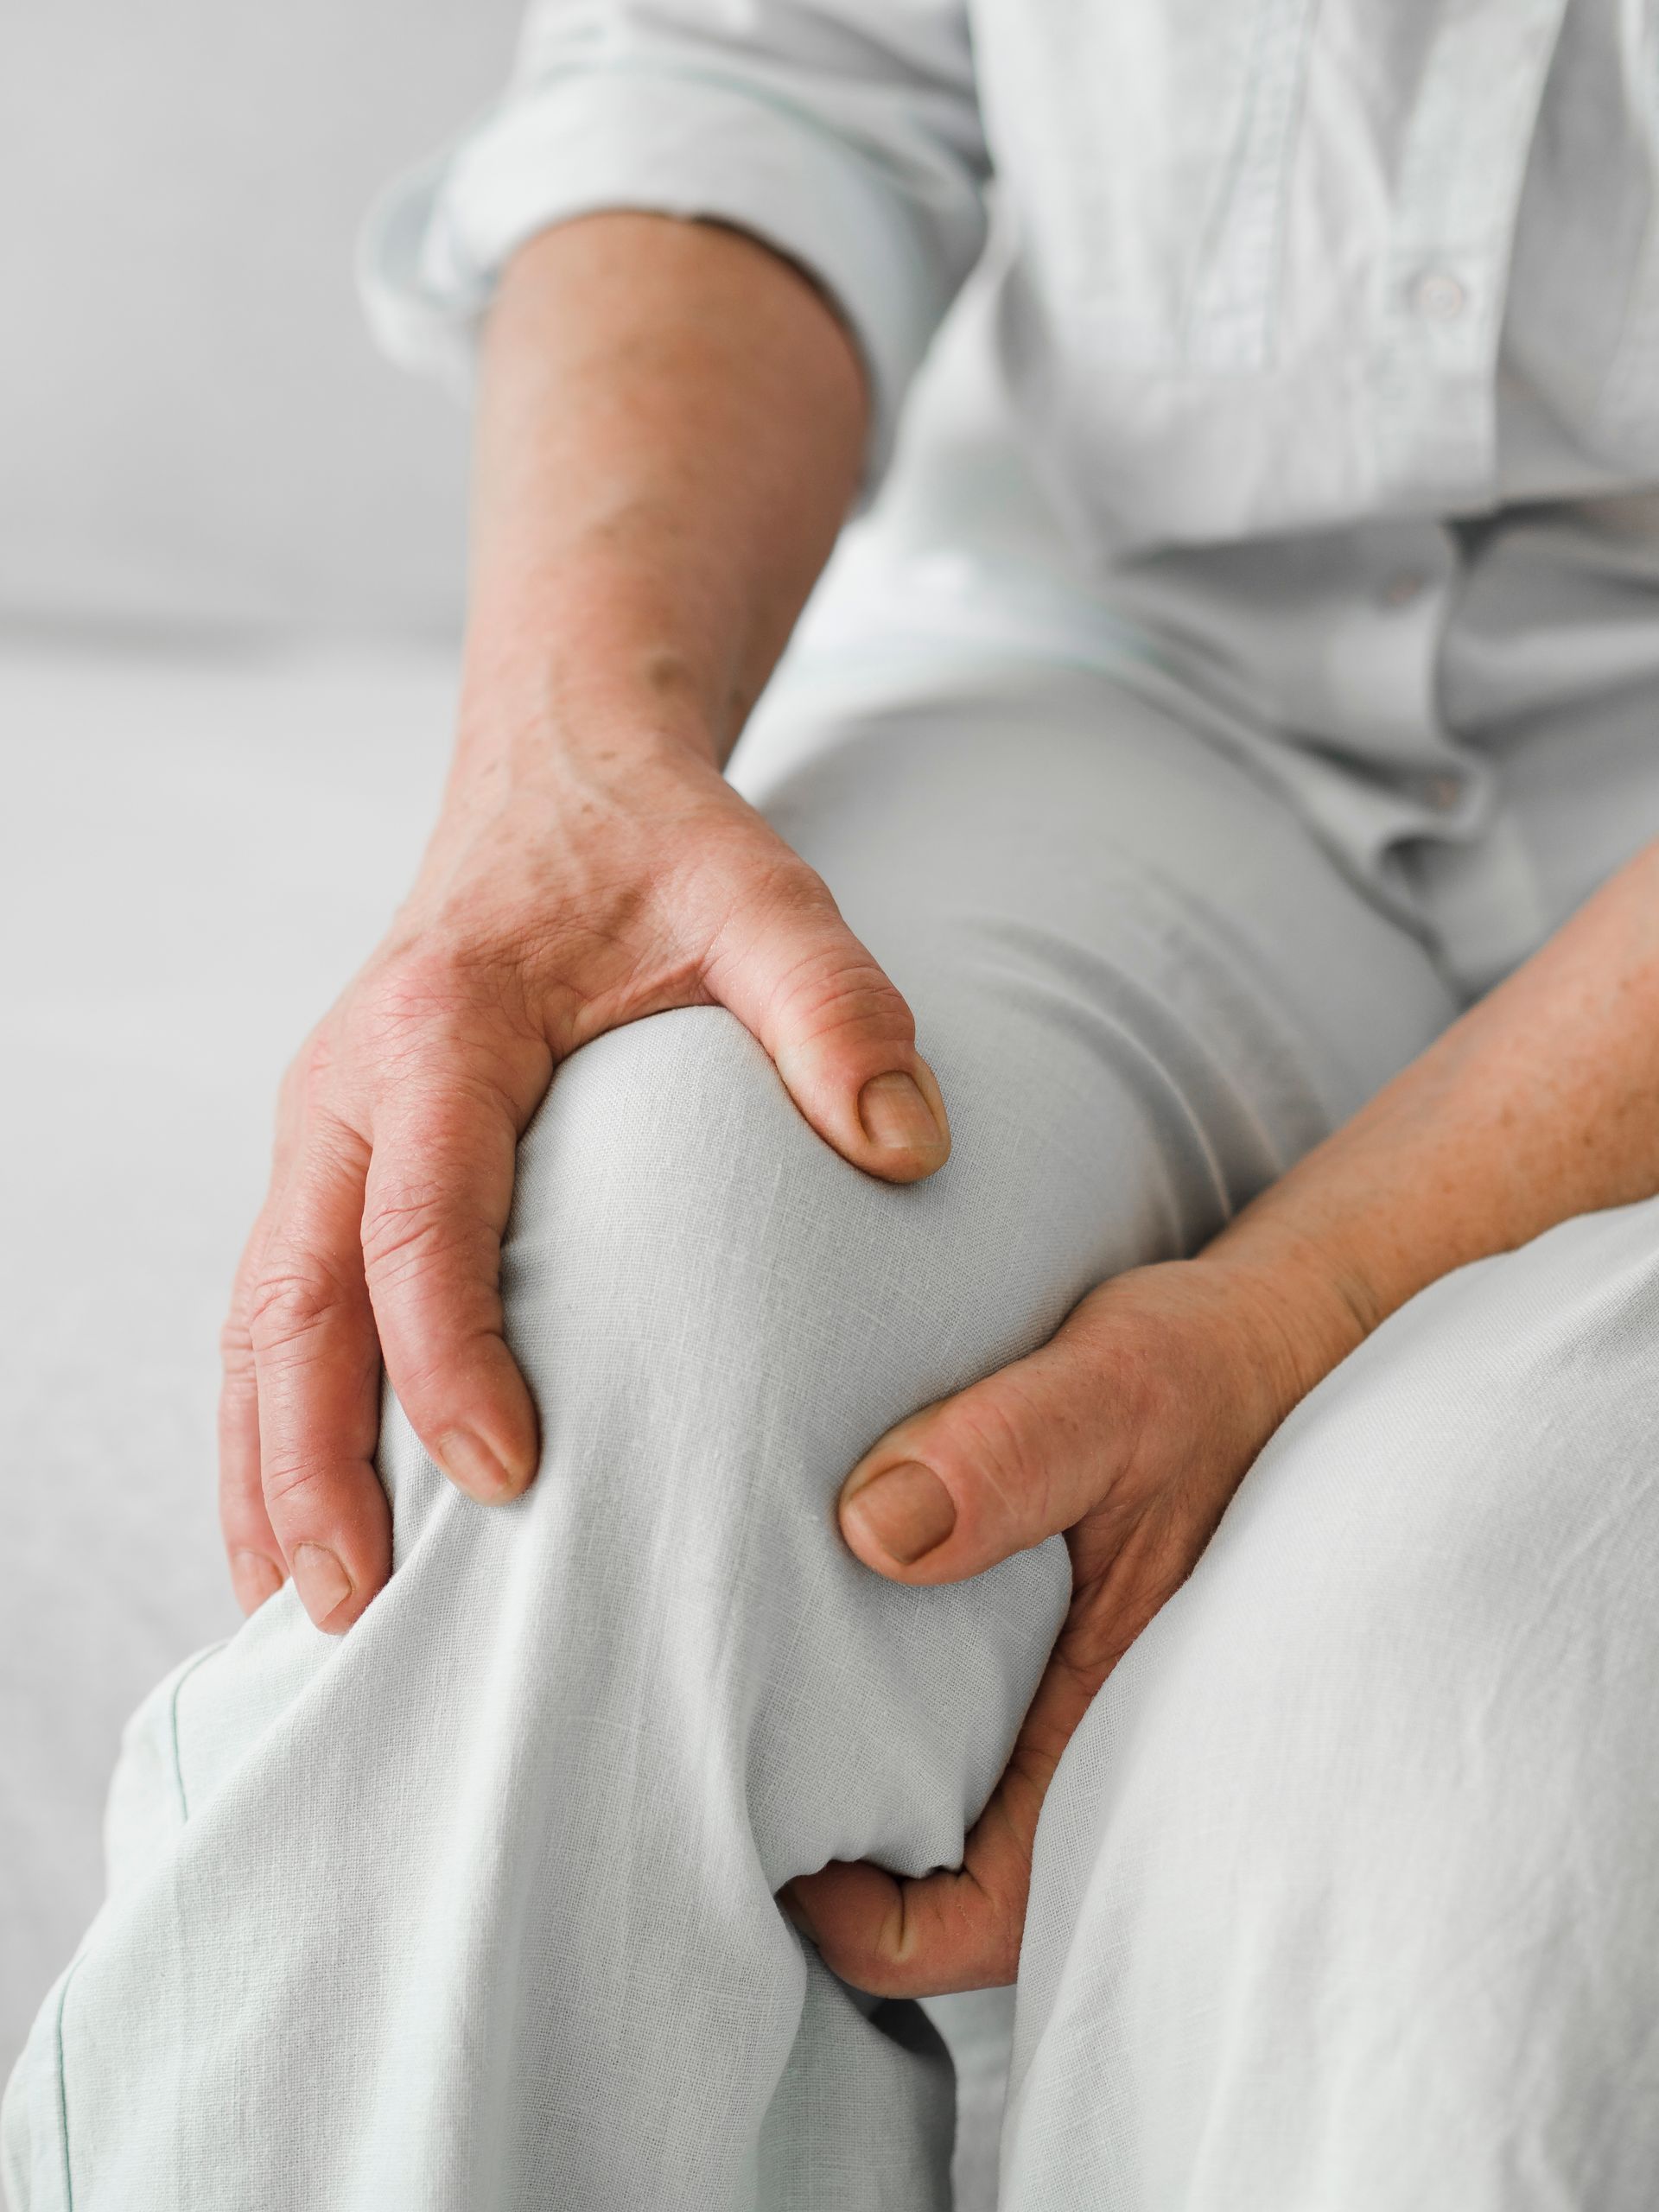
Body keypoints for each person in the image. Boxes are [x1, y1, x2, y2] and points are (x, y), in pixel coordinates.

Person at [9, 2, 1659, 2204]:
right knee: (623, 1321)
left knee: (1444, 1731)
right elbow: (755, 67)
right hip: (1126, 674)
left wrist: (1320, 1295)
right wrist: (567, 774)